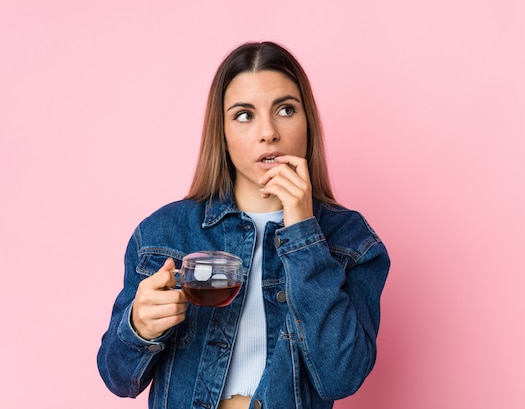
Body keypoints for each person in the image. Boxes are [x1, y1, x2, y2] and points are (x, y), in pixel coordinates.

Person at [97, 41, 390, 409]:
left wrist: (302, 230)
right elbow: (118, 379)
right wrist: (138, 328)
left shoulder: (351, 240)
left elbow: (341, 377)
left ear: (308, 122)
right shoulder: (164, 234)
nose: (267, 132)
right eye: (244, 115)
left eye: (285, 109)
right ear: (222, 132)